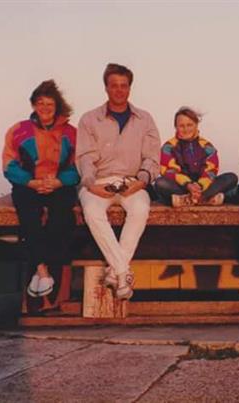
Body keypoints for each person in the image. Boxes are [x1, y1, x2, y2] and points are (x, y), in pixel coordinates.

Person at [76, 63, 161, 300]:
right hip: (98, 181)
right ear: (106, 87)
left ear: (130, 88)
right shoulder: (89, 119)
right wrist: (91, 184)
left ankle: (115, 272)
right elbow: (84, 157)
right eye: (114, 85)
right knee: (92, 211)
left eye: (124, 85)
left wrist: (142, 181)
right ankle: (123, 272)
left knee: (141, 208)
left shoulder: (145, 119)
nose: (119, 90)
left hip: (131, 182)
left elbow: (152, 157)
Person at [2, 79, 79, 299]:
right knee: (29, 217)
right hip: (29, 185)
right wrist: (31, 182)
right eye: (40, 103)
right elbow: (9, 165)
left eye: (49, 103)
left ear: (57, 106)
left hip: (59, 184)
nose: (45, 108)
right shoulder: (18, 130)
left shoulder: (71, 132)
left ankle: (46, 272)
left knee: (62, 216)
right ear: (33, 105)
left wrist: (59, 181)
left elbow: (79, 167)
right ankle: (42, 270)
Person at [155, 107, 238, 207]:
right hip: (182, 186)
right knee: (160, 183)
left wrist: (200, 185)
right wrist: (188, 184)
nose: (186, 129)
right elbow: (169, 172)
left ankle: (190, 200)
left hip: (203, 187)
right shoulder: (168, 147)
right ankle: (205, 199)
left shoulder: (207, 146)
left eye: (189, 125)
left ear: (196, 125)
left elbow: (211, 171)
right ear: (176, 127)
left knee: (231, 177)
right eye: (181, 126)